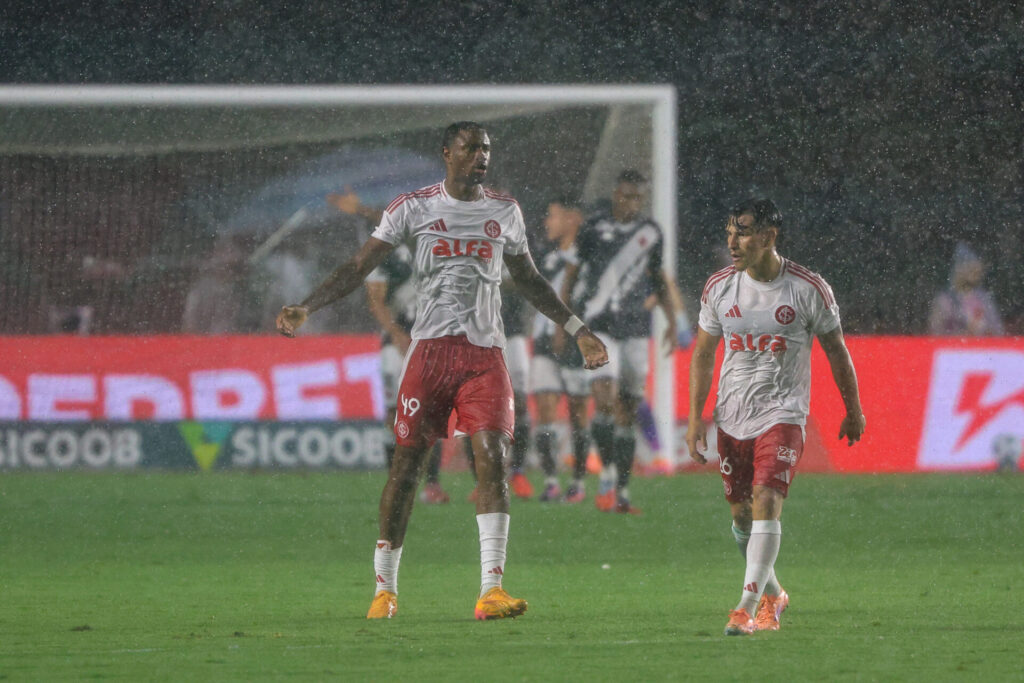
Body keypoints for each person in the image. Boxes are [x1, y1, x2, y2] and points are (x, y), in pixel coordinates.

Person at [276, 122, 609, 621]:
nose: (482, 156)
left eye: (487, 149)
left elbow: (532, 281)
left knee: (493, 458)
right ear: (447, 153)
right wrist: (307, 305)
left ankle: (491, 589)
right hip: (428, 355)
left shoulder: (505, 211)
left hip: (484, 356)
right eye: (472, 148)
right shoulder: (413, 207)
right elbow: (359, 264)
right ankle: (385, 589)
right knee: (406, 469)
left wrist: (579, 327)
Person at [686, 198, 866, 636]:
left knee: (766, 498)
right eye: (729, 231)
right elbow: (704, 353)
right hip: (732, 415)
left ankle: (744, 607)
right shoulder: (720, 287)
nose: (733, 241)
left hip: (783, 413)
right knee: (741, 518)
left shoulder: (807, 288)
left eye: (743, 231)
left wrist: (853, 408)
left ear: (769, 236)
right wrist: (696, 417)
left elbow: (836, 350)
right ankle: (774, 595)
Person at [562, 169, 677, 514]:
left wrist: (672, 322)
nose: (631, 202)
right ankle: (608, 473)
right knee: (604, 398)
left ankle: (622, 491)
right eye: (626, 195)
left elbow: (658, 278)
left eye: (637, 197)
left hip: (636, 329)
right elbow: (571, 276)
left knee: (628, 407)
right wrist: (565, 323)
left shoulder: (650, 233)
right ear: (615, 194)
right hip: (598, 327)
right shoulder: (593, 228)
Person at [365, 243, 450, 504]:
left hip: (429, 342)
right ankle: (396, 482)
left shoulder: (441, 247)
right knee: (394, 411)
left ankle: (432, 484)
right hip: (396, 345)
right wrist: (396, 333)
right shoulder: (386, 252)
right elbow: (375, 300)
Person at [530, 197, 592, 502]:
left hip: (575, 343)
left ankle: (578, 482)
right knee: (545, 409)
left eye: (553, 216)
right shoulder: (547, 256)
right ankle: (552, 480)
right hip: (543, 342)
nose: (547, 222)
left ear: (572, 219)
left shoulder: (589, 258)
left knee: (579, 414)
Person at [928, 241, 1004, 336]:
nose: (977, 275)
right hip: (954, 349)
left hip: (982, 349)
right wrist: (963, 334)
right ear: (958, 269)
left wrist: (985, 332)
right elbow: (935, 333)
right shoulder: (945, 301)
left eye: (977, 272)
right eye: (971, 270)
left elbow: (997, 330)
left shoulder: (984, 299)